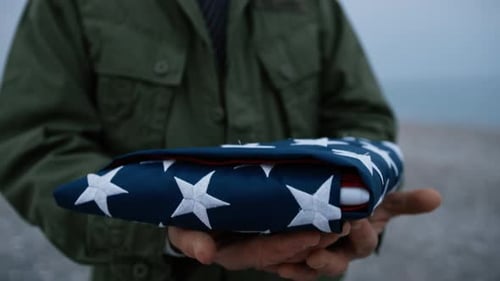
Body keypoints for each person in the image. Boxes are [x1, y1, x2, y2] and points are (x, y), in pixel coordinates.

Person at [0, 0, 441, 280]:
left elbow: (361, 116)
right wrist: (156, 231)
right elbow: (33, 141)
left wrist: (354, 204)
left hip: (304, 268)